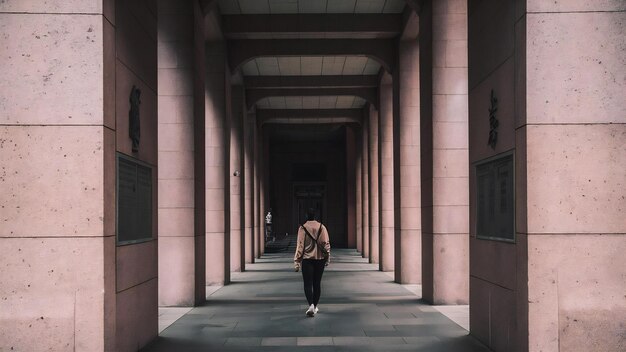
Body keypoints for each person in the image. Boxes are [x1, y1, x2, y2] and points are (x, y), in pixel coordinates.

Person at [294, 208, 330, 317]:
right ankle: (315, 306)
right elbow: (326, 244)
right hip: (320, 259)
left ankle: (311, 305)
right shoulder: (322, 227)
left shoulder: (302, 228)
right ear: (315, 216)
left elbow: (300, 246)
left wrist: (297, 261)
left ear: (306, 216)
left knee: (308, 284)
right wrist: (327, 258)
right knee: (317, 283)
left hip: (307, 260)